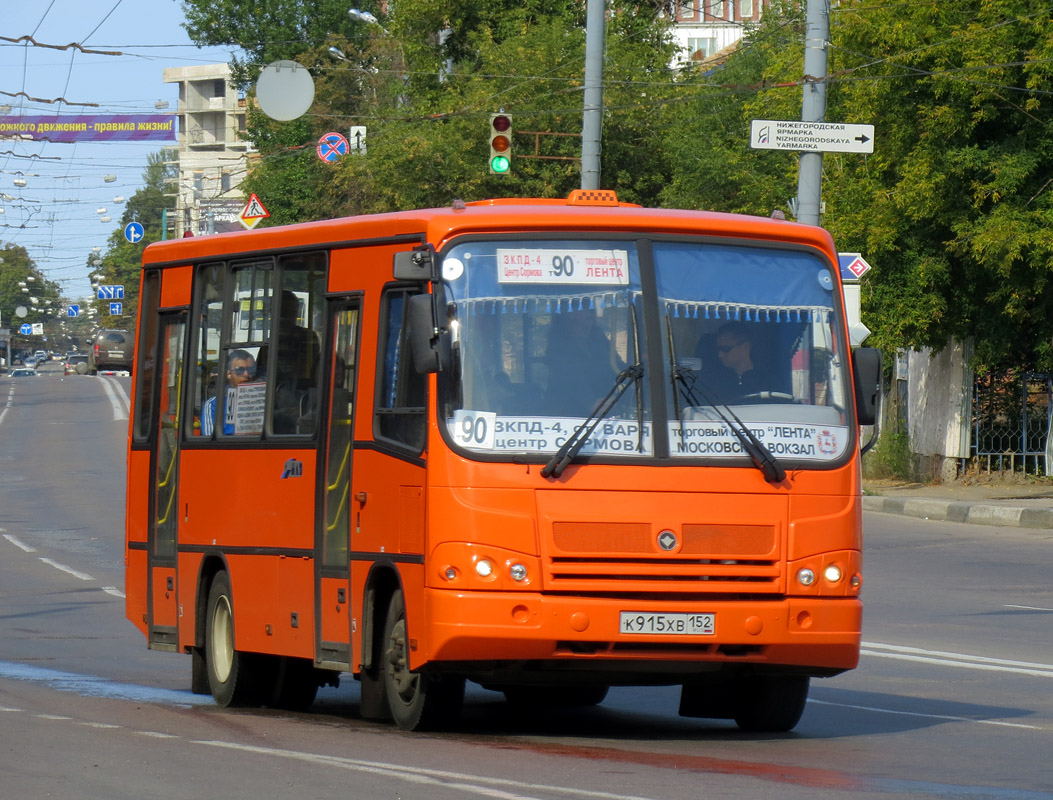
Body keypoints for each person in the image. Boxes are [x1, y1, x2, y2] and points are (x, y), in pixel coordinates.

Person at [202, 349, 258, 436]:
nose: (246, 374)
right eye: (240, 370)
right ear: (228, 374)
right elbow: (210, 444)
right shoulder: (213, 405)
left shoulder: (263, 401)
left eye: (251, 370)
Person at [713, 322, 769, 399]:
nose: (720, 355)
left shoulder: (767, 380)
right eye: (718, 349)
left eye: (725, 349)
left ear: (745, 347)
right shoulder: (713, 382)